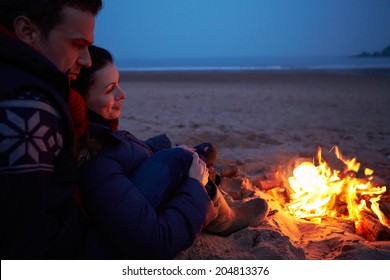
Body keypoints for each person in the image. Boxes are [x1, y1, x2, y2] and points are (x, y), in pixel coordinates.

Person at [72, 45, 270, 259]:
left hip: (127, 185)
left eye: (118, 84)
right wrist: (194, 185)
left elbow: (128, 159)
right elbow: (155, 240)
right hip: (119, 241)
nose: (122, 94)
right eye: (110, 89)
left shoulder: (98, 134)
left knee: (181, 148)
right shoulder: (97, 163)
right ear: (80, 101)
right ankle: (225, 215)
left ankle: (209, 172)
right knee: (181, 158)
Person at [0, 0, 103, 259]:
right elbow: (23, 245)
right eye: (78, 45)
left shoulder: (24, 85)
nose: (87, 61)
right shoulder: (30, 112)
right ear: (27, 31)